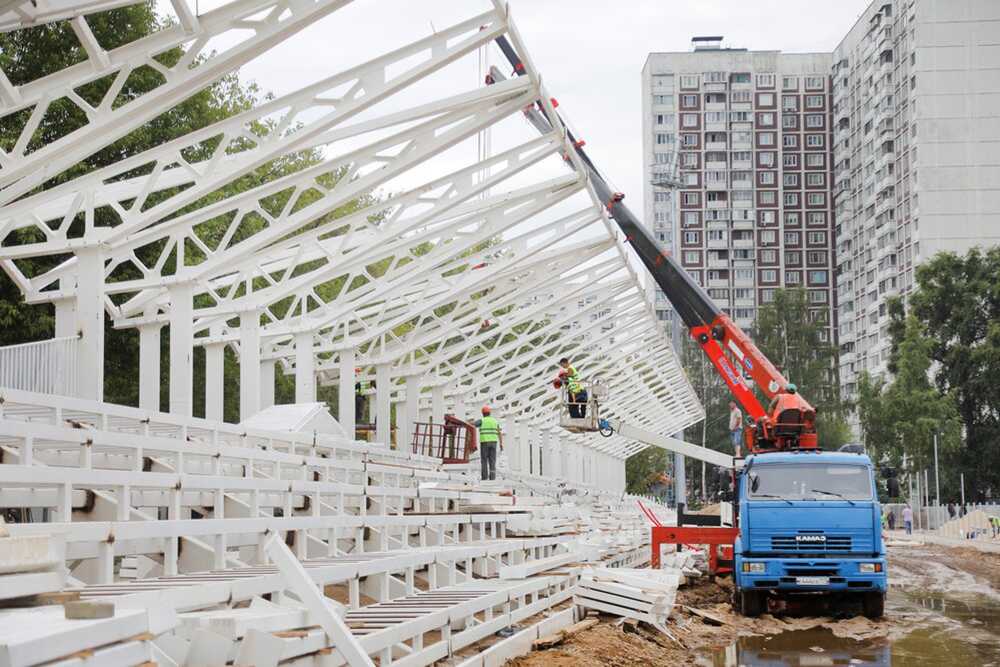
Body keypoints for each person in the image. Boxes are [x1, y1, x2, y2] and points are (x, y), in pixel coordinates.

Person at [474, 407, 502, 481]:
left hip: (485, 442)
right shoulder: (495, 421)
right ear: (489, 413)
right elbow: (499, 433)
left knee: (484, 460)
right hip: (494, 443)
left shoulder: (482, 421)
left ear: (483, 413)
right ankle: (492, 477)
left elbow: (473, 424)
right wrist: (501, 444)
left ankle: (484, 477)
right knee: (492, 460)